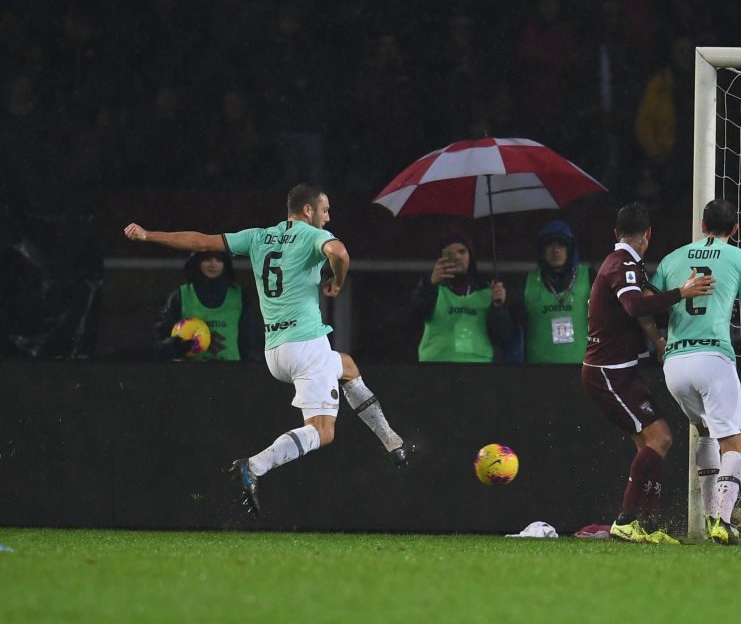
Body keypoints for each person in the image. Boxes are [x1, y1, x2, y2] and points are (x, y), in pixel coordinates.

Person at [124, 183, 411, 516]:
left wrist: (149, 235)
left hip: (275, 351)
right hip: (306, 345)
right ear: (308, 210)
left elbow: (201, 241)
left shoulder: (259, 236)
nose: (328, 217)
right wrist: (337, 280)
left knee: (345, 365)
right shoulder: (312, 236)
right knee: (323, 431)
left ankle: (392, 441)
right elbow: (340, 253)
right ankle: (255, 466)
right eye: (325, 209)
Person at [581, 202, 715, 545]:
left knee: (654, 444)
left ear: (616, 233)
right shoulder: (621, 265)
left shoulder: (627, 265)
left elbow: (636, 310)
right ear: (648, 235)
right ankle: (625, 522)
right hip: (608, 373)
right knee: (661, 439)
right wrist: (680, 293)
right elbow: (634, 306)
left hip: (619, 370)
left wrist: (656, 339)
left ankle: (649, 526)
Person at [652, 199, 741, 545]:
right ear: (735, 229)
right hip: (712, 357)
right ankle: (721, 518)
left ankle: (706, 520)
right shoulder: (738, 257)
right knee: (732, 442)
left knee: (704, 430)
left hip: (673, 363)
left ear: (701, 226)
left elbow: (652, 303)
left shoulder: (672, 258)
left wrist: (658, 339)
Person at [411, 231, 515, 363]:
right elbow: (414, 319)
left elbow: (503, 338)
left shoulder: (488, 292)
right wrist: (429, 285)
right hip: (436, 367)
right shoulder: (432, 288)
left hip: (477, 368)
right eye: (450, 253)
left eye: (462, 252)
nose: (457, 257)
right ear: (442, 257)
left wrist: (499, 308)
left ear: (470, 257)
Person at [153, 250, 261, 361]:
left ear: (225, 264)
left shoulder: (240, 296)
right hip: (189, 373)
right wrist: (176, 346)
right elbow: (160, 341)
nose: (213, 264)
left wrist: (251, 369)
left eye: (219, 260)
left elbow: (250, 342)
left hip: (233, 372)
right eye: (207, 259)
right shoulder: (180, 296)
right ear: (197, 262)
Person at [512, 220, 593, 364]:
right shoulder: (524, 282)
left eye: (561, 244)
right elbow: (511, 332)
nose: (556, 250)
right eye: (550, 244)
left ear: (570, 249)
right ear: (541, 250)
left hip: (583, 370)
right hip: (538, 372)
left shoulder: (591, 278)